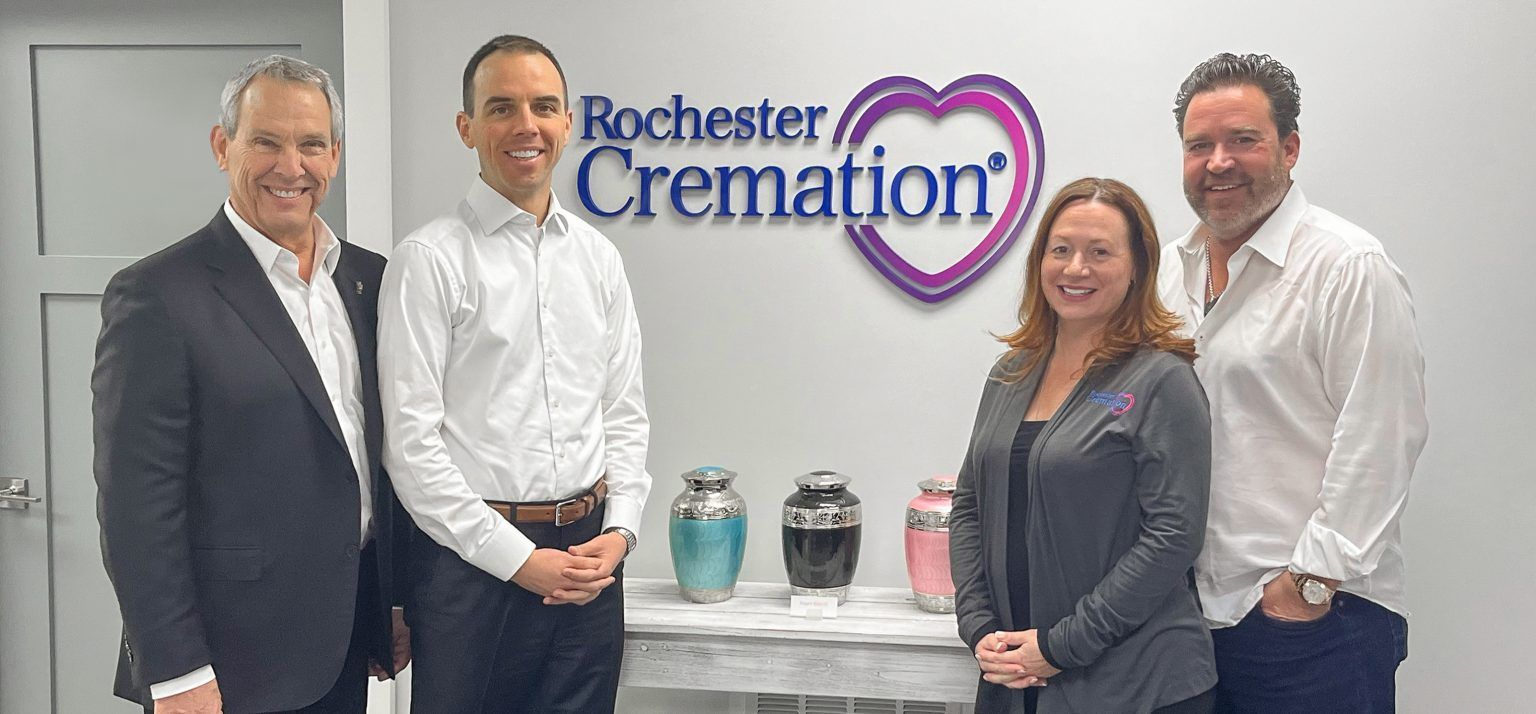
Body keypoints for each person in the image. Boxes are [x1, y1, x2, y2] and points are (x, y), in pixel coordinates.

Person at [93, 54, 409, 714]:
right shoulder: (157, 295)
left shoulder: (369, 280)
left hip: (344, 645)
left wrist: (390, 602)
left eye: (311, 145)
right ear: (222, 145)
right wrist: (176, 674)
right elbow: (136, 511)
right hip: (226, 666)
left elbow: (376, 458)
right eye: (266, 141)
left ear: (335, 155)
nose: (290, 167)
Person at [378, 34, 651, 714]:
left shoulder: (598, 259)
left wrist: (619, 534)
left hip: (591, 565)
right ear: (466, 126)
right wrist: (519, 560)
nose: (525, 125)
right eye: (501, 107)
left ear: (568, 122)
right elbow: (411, 449)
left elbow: (624, 414)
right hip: (473, 573)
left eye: (543, 106)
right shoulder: (428, 261)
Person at [1159, 53, 1427, 713]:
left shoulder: (1347, 266)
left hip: (1312, 622)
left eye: (1242, 140)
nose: (1219, 161)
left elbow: (1381, 437)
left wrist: (1306, 583)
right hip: (1186, 623)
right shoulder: (1165, 271)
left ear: (1290, 148)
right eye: (1200, 146)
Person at [949, 178, 1216, 714]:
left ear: (1138, 266)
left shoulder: (1163, 380)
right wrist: (978, 627)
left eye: (1100, 252)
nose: (1076, 269)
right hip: (1013, 675)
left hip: (1136, 684)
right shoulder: (1010, 374)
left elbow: (1172, 536)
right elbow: (970, 505)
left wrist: (1061, 646)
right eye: (1061, 250)